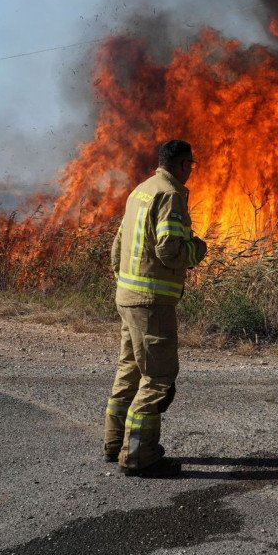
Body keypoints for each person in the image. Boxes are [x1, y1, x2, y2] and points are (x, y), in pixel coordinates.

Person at [103, 139, 207, 477]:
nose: (192, 170)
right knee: (158, 378)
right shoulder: (170, 194)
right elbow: (169, 250)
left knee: (130, 371)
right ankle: (138, 456)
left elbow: (117, 245)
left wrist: (124, 283)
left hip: (128, 296)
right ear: (180, 164)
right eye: (191, 164)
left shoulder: (141, 191)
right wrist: (198, 249)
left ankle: (114, 442)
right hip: (151, 302)